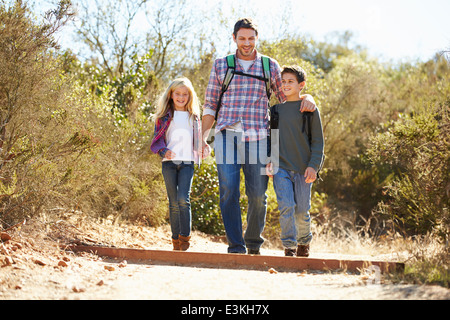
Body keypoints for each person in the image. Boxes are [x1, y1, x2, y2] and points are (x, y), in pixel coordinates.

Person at [201, 18, 316, 254]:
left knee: (257, 195)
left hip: (260, 138)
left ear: (256, 38)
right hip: (226, 136)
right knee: (229, 190)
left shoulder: (269, 66)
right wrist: (203, 138)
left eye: (251, 38)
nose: (246, 43)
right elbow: (210, 104)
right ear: (234, 38)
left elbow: (287, 98)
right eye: (242, 38)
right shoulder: (222, 65)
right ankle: (236, 245)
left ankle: (253, 243)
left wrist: (309, 98)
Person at [266, 65, 324, 257]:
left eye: (290, 81)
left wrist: (313, 166)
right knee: (286, 206)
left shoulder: (309, 110)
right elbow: (272, 139)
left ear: (302, 85)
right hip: (280, 167)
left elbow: (318, 141)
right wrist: (270, 161)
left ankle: (304, 242)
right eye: (283, 81)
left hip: (303, 169)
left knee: (301, 210)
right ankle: (289, 246)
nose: (286, 85)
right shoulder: (275, 111)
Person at [151, 77, 202, 251]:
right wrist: (164, 151)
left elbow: (199, 140)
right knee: (173, 202)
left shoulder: (194, 117)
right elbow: (157, 141)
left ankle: (185, 237)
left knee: (183, 199)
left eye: (185, 94)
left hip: (187, 162)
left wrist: (204, 148)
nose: (181, 97)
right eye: (177, 94)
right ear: (171, 95)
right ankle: (175, 240)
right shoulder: (164, 117)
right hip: (169, 163)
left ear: (190, 96)